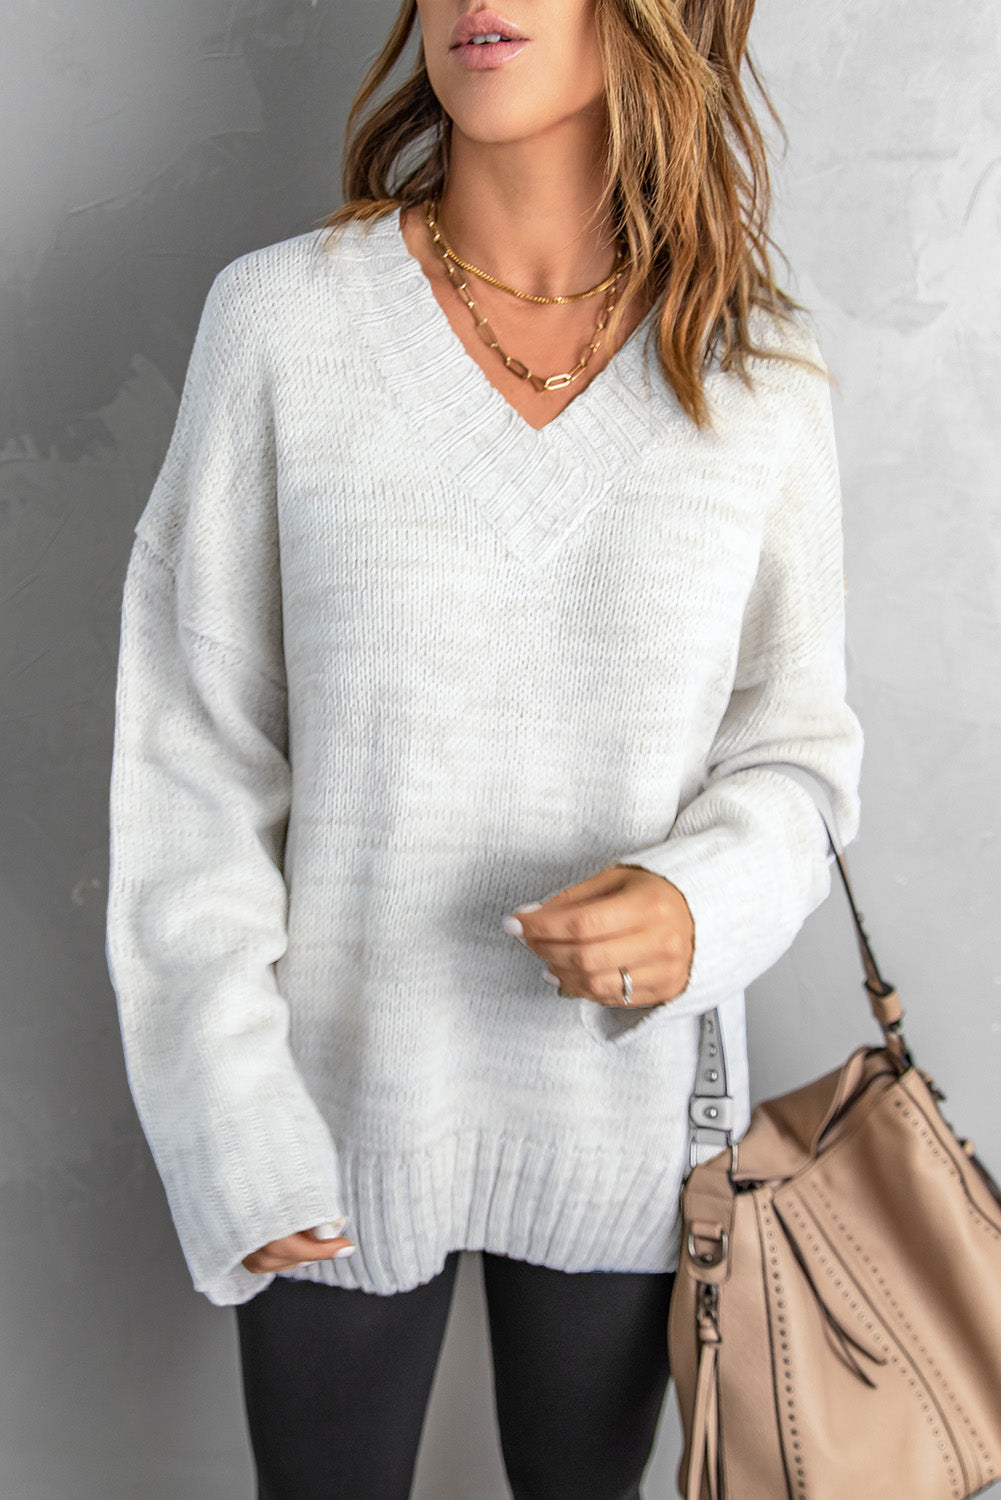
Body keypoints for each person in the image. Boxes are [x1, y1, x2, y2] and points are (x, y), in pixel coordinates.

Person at [105, 0, 864, 1495]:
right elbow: (194, 765)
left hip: (630, 1131)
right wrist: (229, 1118)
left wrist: (696, 903)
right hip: (328, 1121)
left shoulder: (754, 366)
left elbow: (798, 755)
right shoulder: (283, 324)